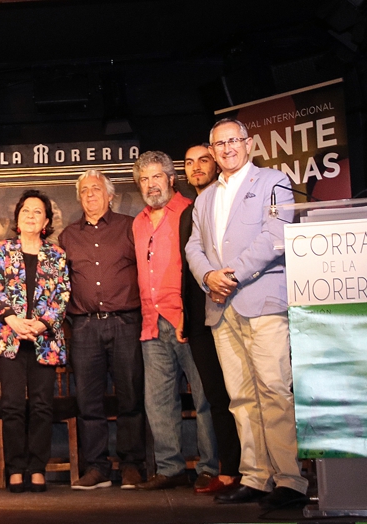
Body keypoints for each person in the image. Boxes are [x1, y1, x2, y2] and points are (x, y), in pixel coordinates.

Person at [186, 118, 309, 509]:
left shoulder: (274, 181)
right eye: (219, 144)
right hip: (221, 307)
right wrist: (208, 275)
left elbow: (275, 238)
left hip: (262, 301)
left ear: (249, 144)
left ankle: (289, 480)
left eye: (233, 141)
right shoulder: (204, 198)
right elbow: (193, 246)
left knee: (273, 389)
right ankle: (255, 477)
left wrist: (232, 274)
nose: (227, 149)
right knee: (240, 397)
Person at [130, 151, 217, 490]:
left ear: (170, 179)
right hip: (151, 323)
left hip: (188, 320)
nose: (151, 185)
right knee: (158, 402)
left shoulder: (190, 211)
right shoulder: (137, 222)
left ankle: (211, 467)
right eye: (144, 179)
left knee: (205, 398)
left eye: (156, 177)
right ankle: (170, 469)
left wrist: (187, 313)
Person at [59, 169, 145, 490]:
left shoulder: (129, 227)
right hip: (83, 327)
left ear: (110, 195)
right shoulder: (68, 236)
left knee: (130, 397)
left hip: (126, 323)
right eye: (84, 191)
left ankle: (132, 465)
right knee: (88, 402)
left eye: (96, 189)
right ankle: (97, 467)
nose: (90, 195)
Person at [0, 190, 71, 493]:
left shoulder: (57, 254)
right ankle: (15, 468)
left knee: (41, 406)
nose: (31, 215)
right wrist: (13, 320)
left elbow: (62, 295)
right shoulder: (2, 250)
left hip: (44, 339)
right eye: (26, 211)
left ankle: (36, 467)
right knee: (11, 406)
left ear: (47, 221)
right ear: (18, 218)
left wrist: (40, 324)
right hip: (10, 337)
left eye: (38, 212)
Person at [182, 144, 242, 494]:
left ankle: (258, 471)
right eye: (189, 163)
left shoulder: (230, 203)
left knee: (250, 394)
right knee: (218, 397)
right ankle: (230, 470)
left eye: (203, 160)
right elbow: (185, 265)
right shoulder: (189, 212)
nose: (196, 168)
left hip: (238, 303)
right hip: (201, 317)